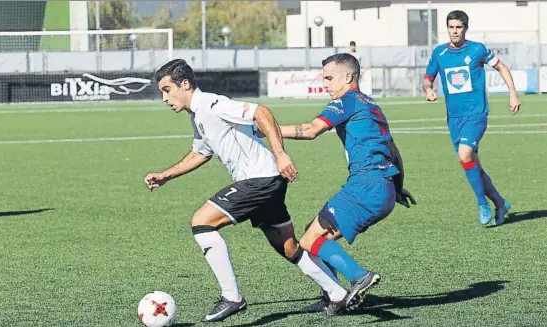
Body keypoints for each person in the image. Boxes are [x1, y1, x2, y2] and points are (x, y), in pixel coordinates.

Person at [143, 59, 354, 322]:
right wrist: (165, 175)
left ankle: (232, 297)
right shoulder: (198, 115)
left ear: (184, 84)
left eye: (166, 89)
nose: (164, 98)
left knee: (201, 223)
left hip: (259, 179)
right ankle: (338, 294)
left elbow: (261, 112)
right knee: (288, 247)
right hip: (267, 181)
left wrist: (281, 155)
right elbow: (200, 153)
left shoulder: (210, 103)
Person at [276, 53, 413, 314]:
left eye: (329, 78)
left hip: (365, 185)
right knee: (313, 231)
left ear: (348, 77)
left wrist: (267, 128)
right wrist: (397, 187)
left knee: (307, 240)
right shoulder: (371, 104)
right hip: (382, 188)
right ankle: (331, 295)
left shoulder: (347, 101)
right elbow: (393, 152)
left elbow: (311, 130)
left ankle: (359, 276)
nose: (324, 84)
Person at [423, 10, 520, 226]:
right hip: (454, 118)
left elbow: (501, 67)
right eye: (451, 27)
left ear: (465, 28)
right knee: (472, 164)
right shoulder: (439, 53)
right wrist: (428, 90)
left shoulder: (477, 49)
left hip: (476, 114)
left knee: (465, 154)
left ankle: (482, 204)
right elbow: (428, 78)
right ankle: (500, 203)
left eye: (458, 27)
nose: (454, 31)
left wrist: (512, 93)